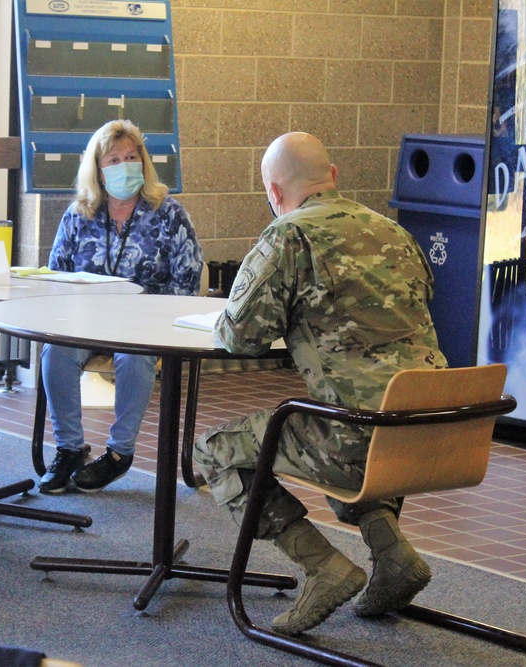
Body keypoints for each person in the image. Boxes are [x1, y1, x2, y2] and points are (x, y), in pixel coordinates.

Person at [193, 132, 447, 636]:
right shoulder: (396, 232)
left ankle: (323, 568)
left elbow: (239, 338)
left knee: (213, 452)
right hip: (431, 429)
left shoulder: (289, 236)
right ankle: (391, 553)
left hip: (357, 435)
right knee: (332, 419)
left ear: (273, 191)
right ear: (333, 177)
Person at [39, 119, 203, 494]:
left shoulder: (169, 213)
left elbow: (188, 281)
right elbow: (55, 277)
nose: (125, 166)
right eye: (114, 159)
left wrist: (158, 319)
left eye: (132, 157)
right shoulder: (79, 214)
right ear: (97, 169)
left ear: (144, 163)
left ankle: (119, 452)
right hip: (86, 322)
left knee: (135, 357)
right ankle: (68, 449)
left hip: (143, 326)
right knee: (56, 353)